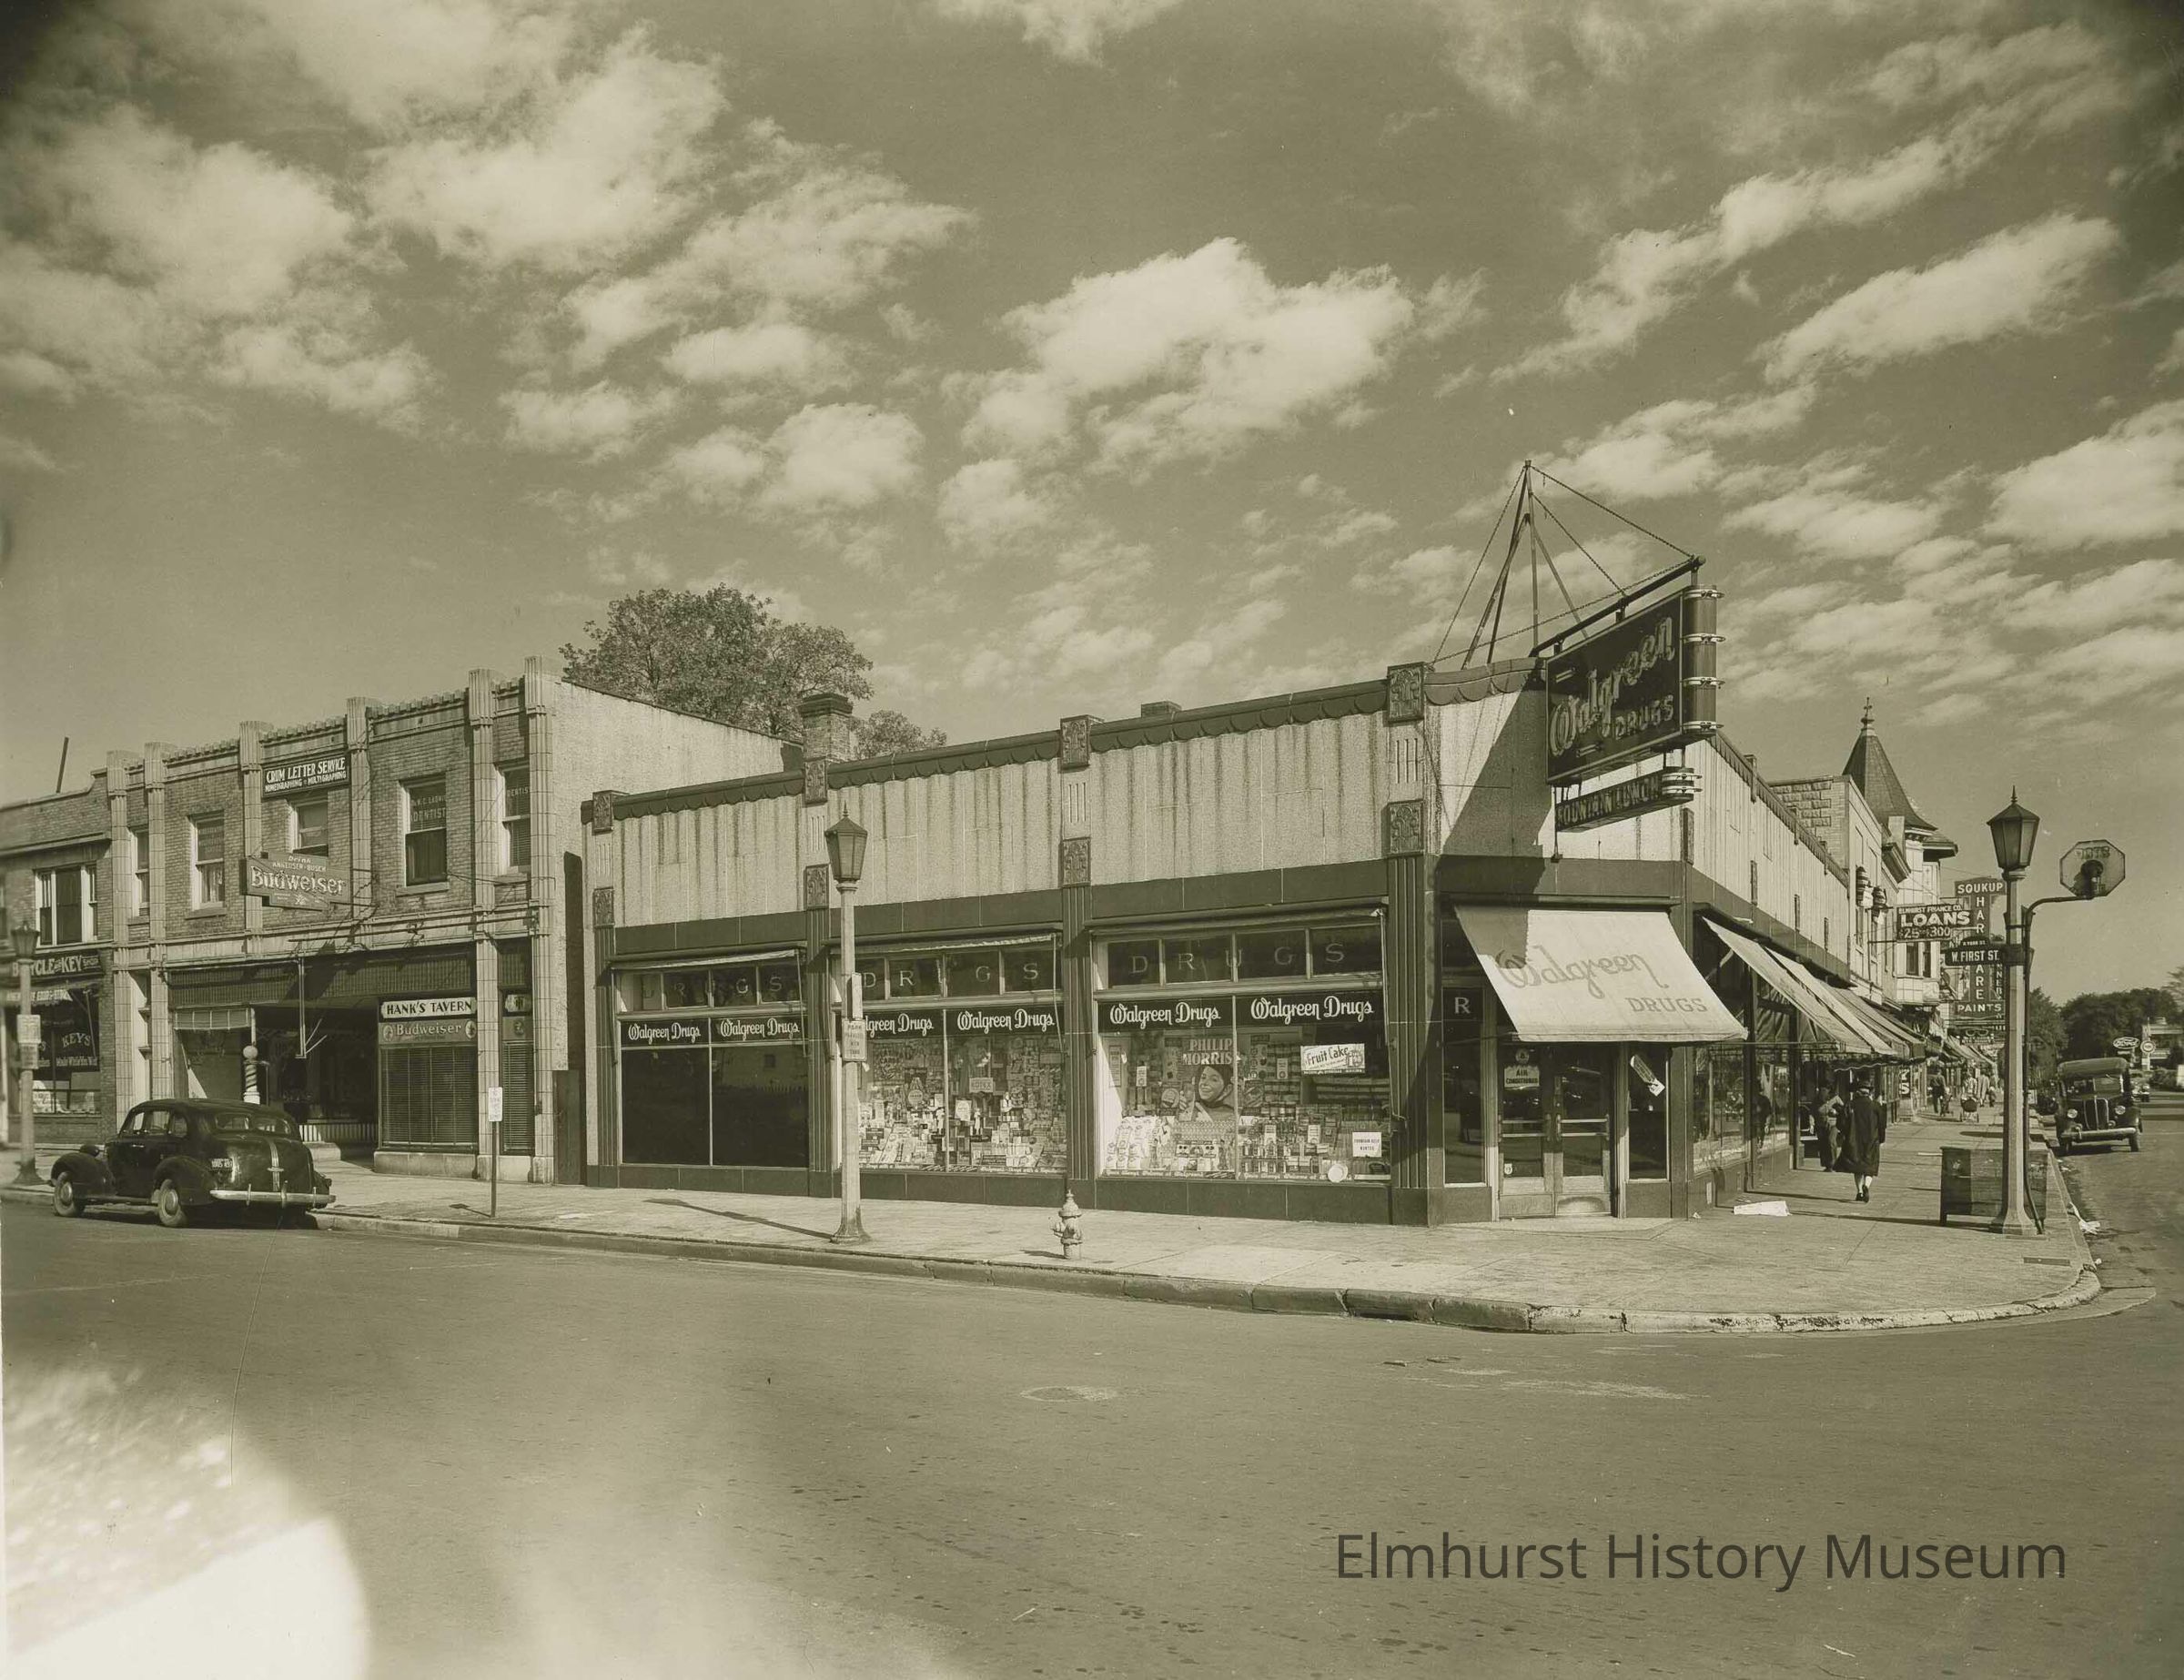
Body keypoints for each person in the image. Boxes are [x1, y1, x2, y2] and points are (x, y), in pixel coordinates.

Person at [1838, 1073, 1885, 1203]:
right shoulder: (1876, 1106)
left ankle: (1859, 1192)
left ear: (1857, 1092)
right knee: (1870, 1166)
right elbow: (1882, 1125)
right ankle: (1866, 1186)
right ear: (1869, 1092)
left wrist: (1845, 1134)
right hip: (1872, 1140)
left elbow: (1841, 1124)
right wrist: (1881, 1139)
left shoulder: (1850, 1105)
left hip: (1854, 1140)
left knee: (1857, 1166)